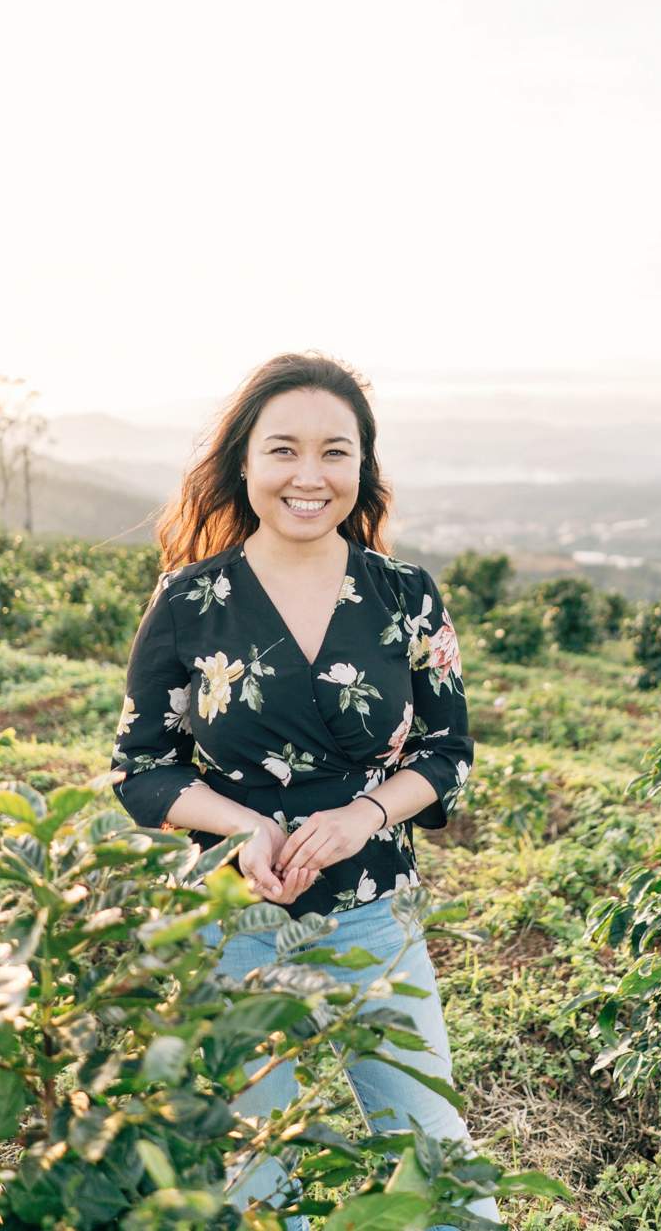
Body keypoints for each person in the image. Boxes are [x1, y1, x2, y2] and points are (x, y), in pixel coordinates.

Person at [110, 351, 504, 1230]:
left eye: (336, 452)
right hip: (231, 916)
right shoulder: (190, 601)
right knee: (255, 1171)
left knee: (435, 1157)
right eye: (283, 450)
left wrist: (366, 814)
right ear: (244, 463)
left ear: (363, 468)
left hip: (373, 911)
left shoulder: (404, 596)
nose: (309, 475)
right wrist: (244, 826)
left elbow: (448, 753)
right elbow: (141, 767)